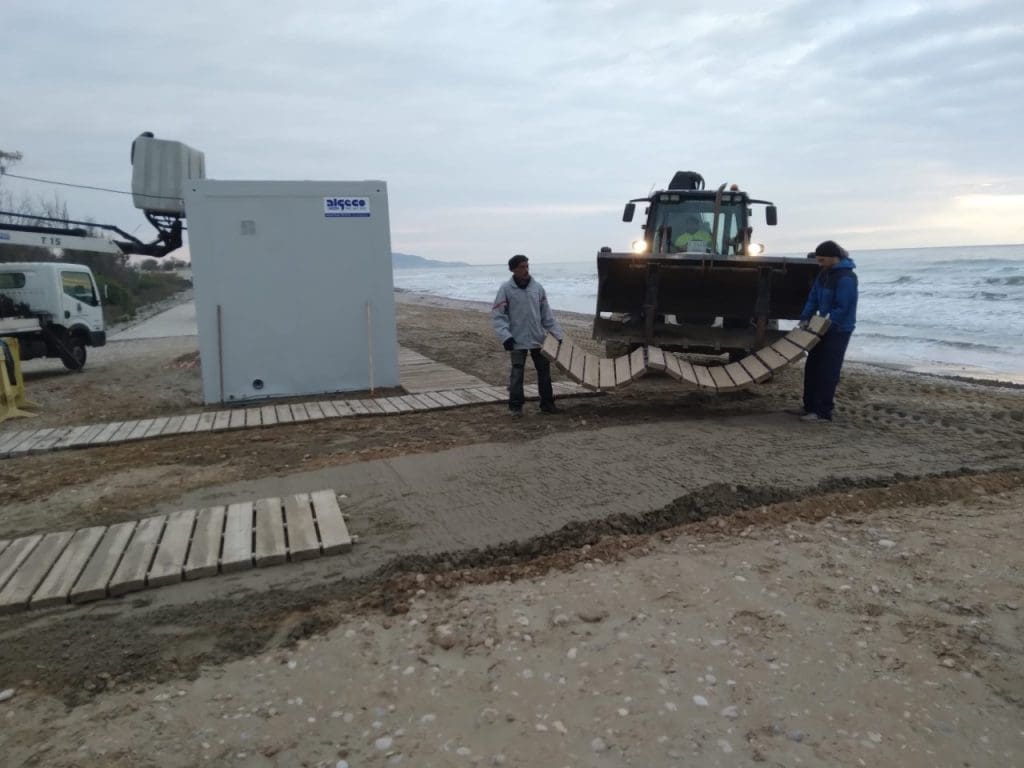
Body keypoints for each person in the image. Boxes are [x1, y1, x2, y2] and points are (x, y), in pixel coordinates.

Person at [491, 254, 564, 417]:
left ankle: (547, 404)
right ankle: (515, 407)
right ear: (513, 270)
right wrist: (505, 336)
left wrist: (557, 334)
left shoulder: (537, 288)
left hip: (538, 339)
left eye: (527, 266)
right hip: (516, 339)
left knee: (544, 372)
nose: (525, 270)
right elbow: (498, 315)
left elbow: (547, 315)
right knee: (517, 374)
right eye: (521, 267)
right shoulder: (506, 289)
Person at [794, 240, 858, 423]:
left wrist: (828, 324)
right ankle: (808, 407)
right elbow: (813, 298)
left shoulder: (846, 277)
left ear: (833, 258)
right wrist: (805, 318)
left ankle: (822, 412)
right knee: (812, 367)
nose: (819, 263)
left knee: (827, 370)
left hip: (839, 329)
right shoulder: (824, 274)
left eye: (822, 260)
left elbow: (843, 306)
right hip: (820, 326)